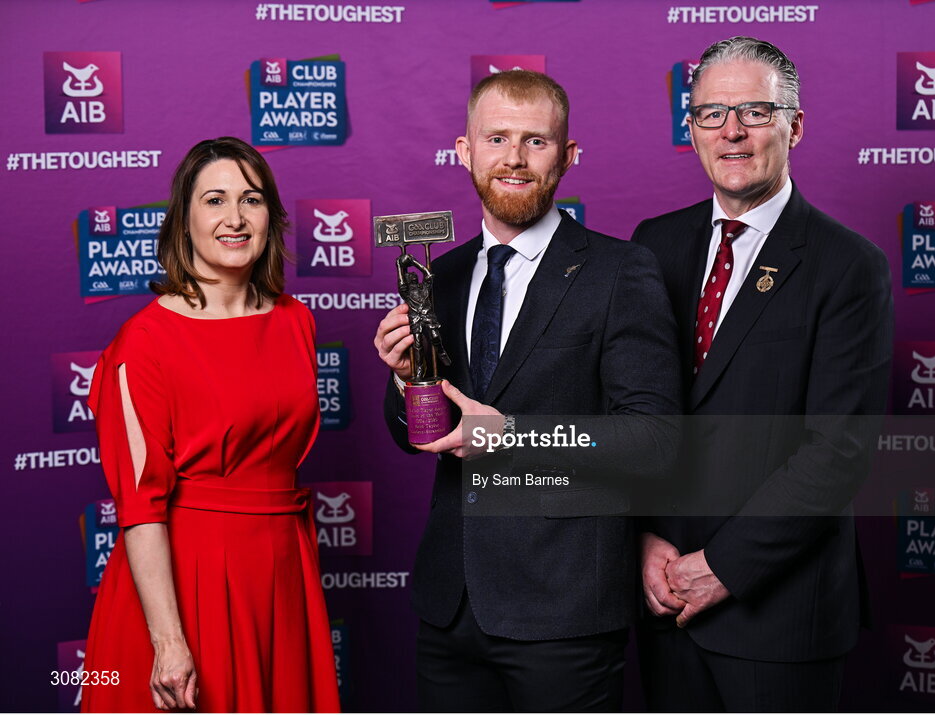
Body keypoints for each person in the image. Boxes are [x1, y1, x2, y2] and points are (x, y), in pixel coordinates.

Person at [373, 70, 681, 711]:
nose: (513, 158)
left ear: (568, 157)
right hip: (451, 605)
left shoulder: (619, 271)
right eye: (497, 138)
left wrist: (512, 439)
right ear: (465, 150)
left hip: (562, 610)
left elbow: (655, 441)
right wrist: (406, 382)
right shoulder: (441, 276)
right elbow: (420, 438)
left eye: (535, 141)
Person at [631, 37, 893, 711]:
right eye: (712, 114)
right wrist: (644, 534)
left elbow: (837, 451)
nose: (733, 131)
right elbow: (633, 412)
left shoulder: (848, 266)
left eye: (754, 110)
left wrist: (722, 566)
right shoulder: (652, 246)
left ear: (794, 125)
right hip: (663, 599)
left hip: (781, 616)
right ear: (690, 130)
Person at [81, 137, 340, 713]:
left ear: (270, 216)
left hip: (282, 570)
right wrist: (168, 641)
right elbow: (141, 504)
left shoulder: (296, 320)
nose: (234, 218)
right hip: (189, 576)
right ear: (184, 219)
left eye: (251, 200)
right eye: (214, 200)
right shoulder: (144, 342)